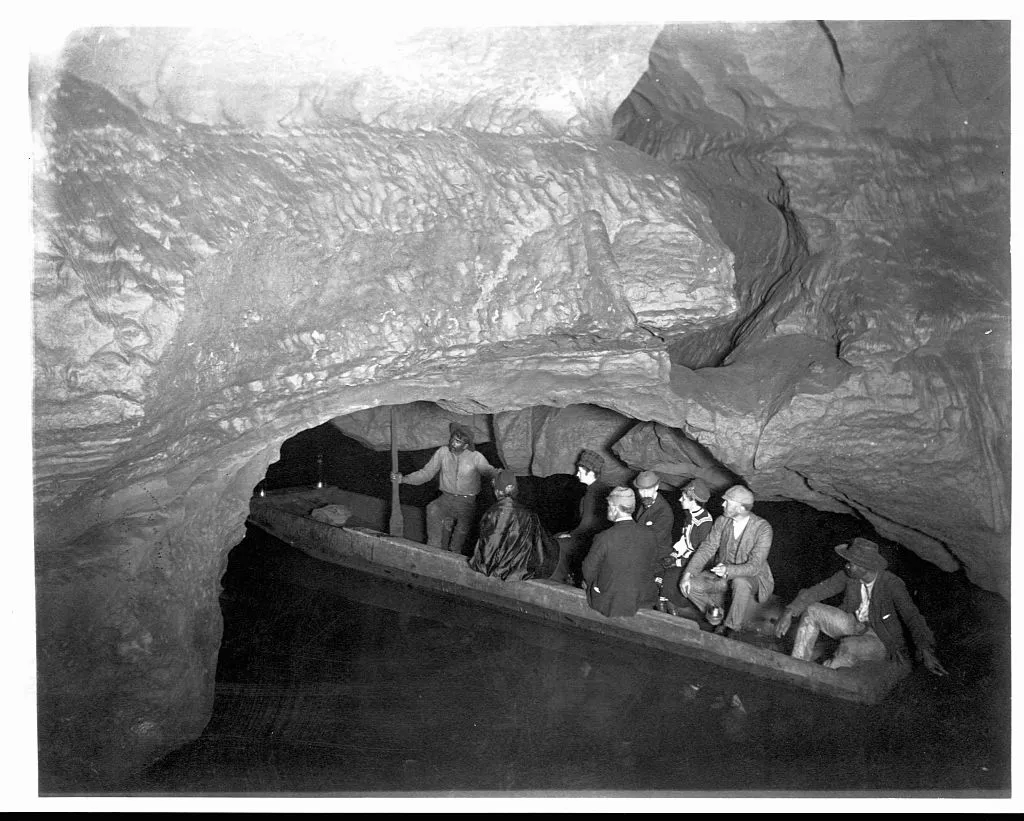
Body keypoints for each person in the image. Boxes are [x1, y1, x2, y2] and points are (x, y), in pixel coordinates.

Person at [773, 537, 948, 675]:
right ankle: (797, 665)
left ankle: (828, 672)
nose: (847, 565)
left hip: (879, 639)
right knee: (812, 610)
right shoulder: (849, 576)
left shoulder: (892, 584)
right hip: (854, 624)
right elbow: (820, 590)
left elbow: (912, 617)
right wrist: (790, 611)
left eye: (852, 562)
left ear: (866, 567)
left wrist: (925, 649)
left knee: (848, 648)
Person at [679, 484, 774, 636]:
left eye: (728, 502)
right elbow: (707, 548)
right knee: (690, 585)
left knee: (740, 582)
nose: (722, 504)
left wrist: (728, 570)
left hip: (753, 577)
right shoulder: (723, 521)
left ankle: (730, 628)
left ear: (741, 508)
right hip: (722, 574)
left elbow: (755, 566)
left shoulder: (762, 529)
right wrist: (688, 574)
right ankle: (716, 613)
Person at [391, 422, 499, 555]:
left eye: (458, 441)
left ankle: (455, 553)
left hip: (467, 501)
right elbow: (426, 473)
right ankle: (432, 549)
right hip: (446, 498)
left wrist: (500, 476)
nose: (453, 443)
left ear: (466, 445)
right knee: (433, 509)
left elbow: (489, 471)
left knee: (461, 531)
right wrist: (404, 479)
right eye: (453, 439)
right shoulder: (443, 452)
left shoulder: (476, 457)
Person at [581, 487, 659, 618]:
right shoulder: (650, 534)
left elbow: (588, 570)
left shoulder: (605, 537)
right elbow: (652, 565)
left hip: (613, 603)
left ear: (613, 506)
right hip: (643, 598)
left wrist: (595, 583)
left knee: (587, 582)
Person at [468, 469, 558, 581]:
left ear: (498, 490)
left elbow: (490, 545)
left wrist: (484, 564)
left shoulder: (494, 512)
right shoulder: (527, 513)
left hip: (498, 566)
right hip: (519, 567)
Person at [548, 449, 611, 586]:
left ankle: (558, 581)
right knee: (560, 537)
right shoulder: (600, 488)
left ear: (590, 472)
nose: (577, 474)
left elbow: (588, 525)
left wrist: (571, 535)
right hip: (596, 536)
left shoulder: (593, 493)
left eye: (580, 471)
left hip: (593, 539)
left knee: (558, 544)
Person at [656, 479, 715, 616]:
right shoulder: (690, 515)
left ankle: (671, 609)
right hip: (685, 555)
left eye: (684, 497)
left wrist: (677, 561)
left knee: (671, 576)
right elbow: (685, 539)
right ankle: (663, 604)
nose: (680, 499)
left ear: (693, 500)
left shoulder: (704, 522)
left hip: (697, 562)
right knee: (658, 566)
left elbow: (701, 553)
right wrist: (674, 554)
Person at [632, 470, 674, 610]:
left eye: (647, 490)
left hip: (657, 555)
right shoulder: (646, 503)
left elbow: (651, 542)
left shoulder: (664, 512)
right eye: (641, 491)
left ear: (657, 487)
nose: (644, 494)